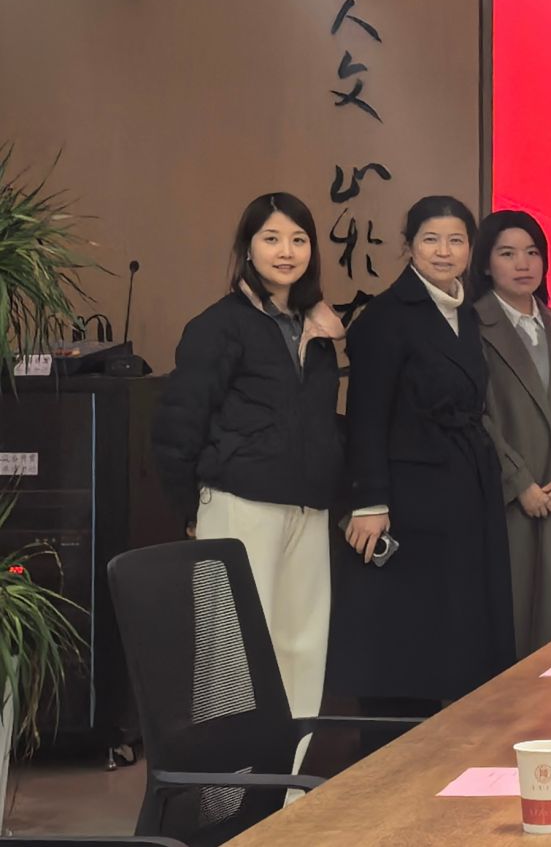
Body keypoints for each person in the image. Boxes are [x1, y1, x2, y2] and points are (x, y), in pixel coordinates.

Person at [153, 192, 343, 727]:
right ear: (248, 247)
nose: (287, 251)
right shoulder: (219, 324)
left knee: (302, 649)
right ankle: (232, 780)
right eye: (272, 238)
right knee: (232, 655)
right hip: (239, 503)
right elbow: (178, 425)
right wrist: (190, 508)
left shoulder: (320, 329)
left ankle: (288, 778)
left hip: (307, 506)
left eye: (299, 240)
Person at [330, 196, 514, 712]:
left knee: (462, 622)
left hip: (464, 483)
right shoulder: (385, 317)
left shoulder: (466, 313)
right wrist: (369, 501)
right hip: (411, 494)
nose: (444, 251)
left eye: (456, 240)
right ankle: (401, 743)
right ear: (409, 246)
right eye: (431, 240)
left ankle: (460, 733)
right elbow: (366, 416)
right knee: (412, 632)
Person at [471, 211, 551, 655]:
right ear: (485, 264)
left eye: (533, 252)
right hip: (507, 498)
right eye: (507, 253)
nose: (523, 264)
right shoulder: (471, 325)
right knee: (510, 630)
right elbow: (474, 414)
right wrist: (518, 481)